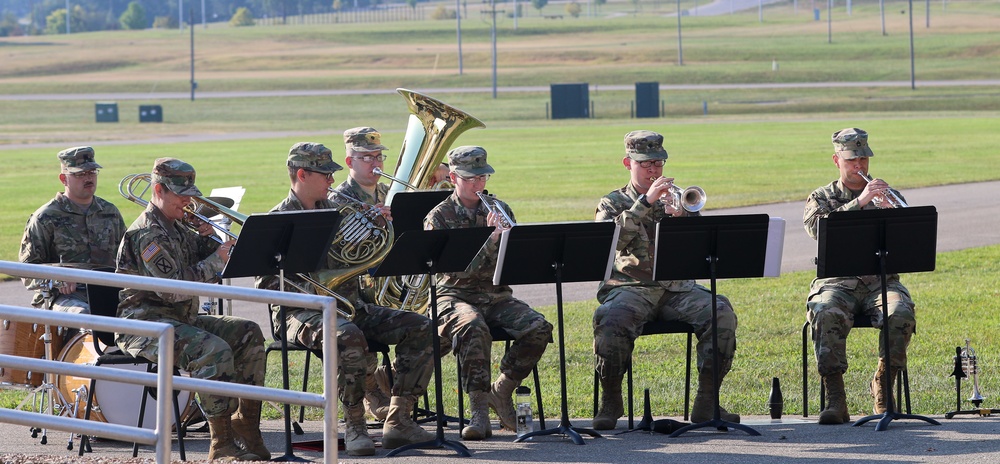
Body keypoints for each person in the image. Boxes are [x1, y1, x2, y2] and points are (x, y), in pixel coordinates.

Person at [257, 139, 435, 455]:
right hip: (299, 313)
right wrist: (313, 287)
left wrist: (373, 230)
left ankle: (399, 420)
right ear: (301, 174)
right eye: (324, 173)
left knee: (421, 326)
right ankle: (354, 424)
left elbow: (359, 262)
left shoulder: (338, 211)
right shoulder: (277, 221)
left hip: (350, 305)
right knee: (348, 336)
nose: (331, 179)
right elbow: (268, 287)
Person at [115, 158, 269, 461]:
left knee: (248, 332)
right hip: (145, 323)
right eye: (180, 194)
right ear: (158, 190)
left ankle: (246, 424)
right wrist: (215, 259)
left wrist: (209, 237)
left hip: (180, 318)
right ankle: (221, 442)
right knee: (212, 350)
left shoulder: (176, 226)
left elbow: (209, 259)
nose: (188, 201)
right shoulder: (148, 234)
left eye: (190, 194)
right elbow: (173, 290)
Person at [592, 130, 740, 430]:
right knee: (610, 319)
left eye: (658, 163)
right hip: (630, 288)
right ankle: (610, 400)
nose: (653, 170)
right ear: (627, 163)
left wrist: (683, 219)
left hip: (677, 289)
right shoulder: (612, 202)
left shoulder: (678, 197)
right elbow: (609, 246)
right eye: (646, 164)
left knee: (720, 313)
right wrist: (645, 202)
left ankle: (707, 401)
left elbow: (700, 247)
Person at [423, 145, 553, 440]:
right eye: (471, 179)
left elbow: (516, 262)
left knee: (539, 327)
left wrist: (512, 242)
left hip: (495, 295)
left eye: (483, 178)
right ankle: (479, 411)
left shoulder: (499, 208)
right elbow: (453, 270)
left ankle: (502, 390)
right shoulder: (439, 217)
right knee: (473, 326)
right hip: (453, 296)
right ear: (454, 177)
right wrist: (491, 240)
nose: (479, 185)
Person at [803, 127, 916, 425]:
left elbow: (912, 239)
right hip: (837, 284)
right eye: (853, 160)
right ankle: (835, 397)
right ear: (836, 160)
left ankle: (883, 383)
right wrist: (860, 203)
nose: (860, 166)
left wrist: (896, 216)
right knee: (824, 311)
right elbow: (818, 229)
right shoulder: (822, 197)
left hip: (881, 283)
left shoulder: (887, 195)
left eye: (864, 159)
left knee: (901, 312)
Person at [19, 146, 126, 315]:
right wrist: (57, 279)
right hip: (63, 297)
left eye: (92, 172)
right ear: (64, 179)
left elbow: (126, 259)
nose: (88, 178)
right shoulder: (45, 217)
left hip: (107, 292)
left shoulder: (110, 212)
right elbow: (27, 272)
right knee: (83, 316)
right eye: (80, 174)